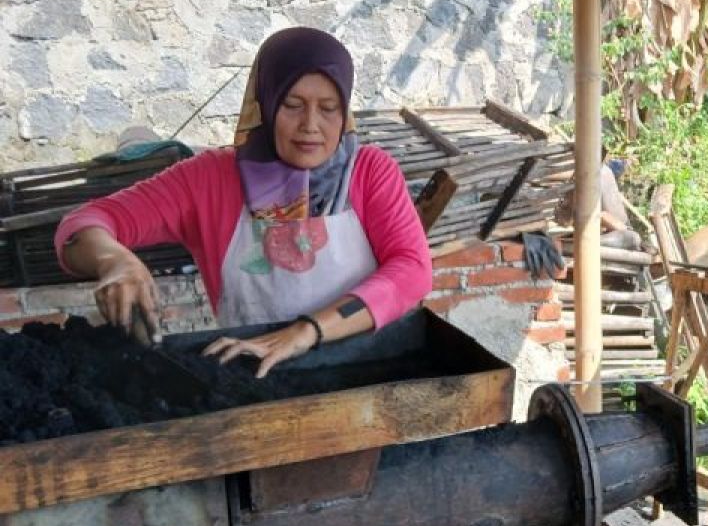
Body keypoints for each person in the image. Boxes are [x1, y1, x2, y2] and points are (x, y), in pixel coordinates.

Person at [55, 26, 433, 377]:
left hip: (365, 370)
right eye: (292, 104)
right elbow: (83, 225)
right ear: (264, 104)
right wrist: (115, 261)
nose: (311, 125)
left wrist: (307, 331)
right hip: (255, 372)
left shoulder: (369, 172)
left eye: (329, 107)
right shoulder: (209, 179)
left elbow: (413, 271)